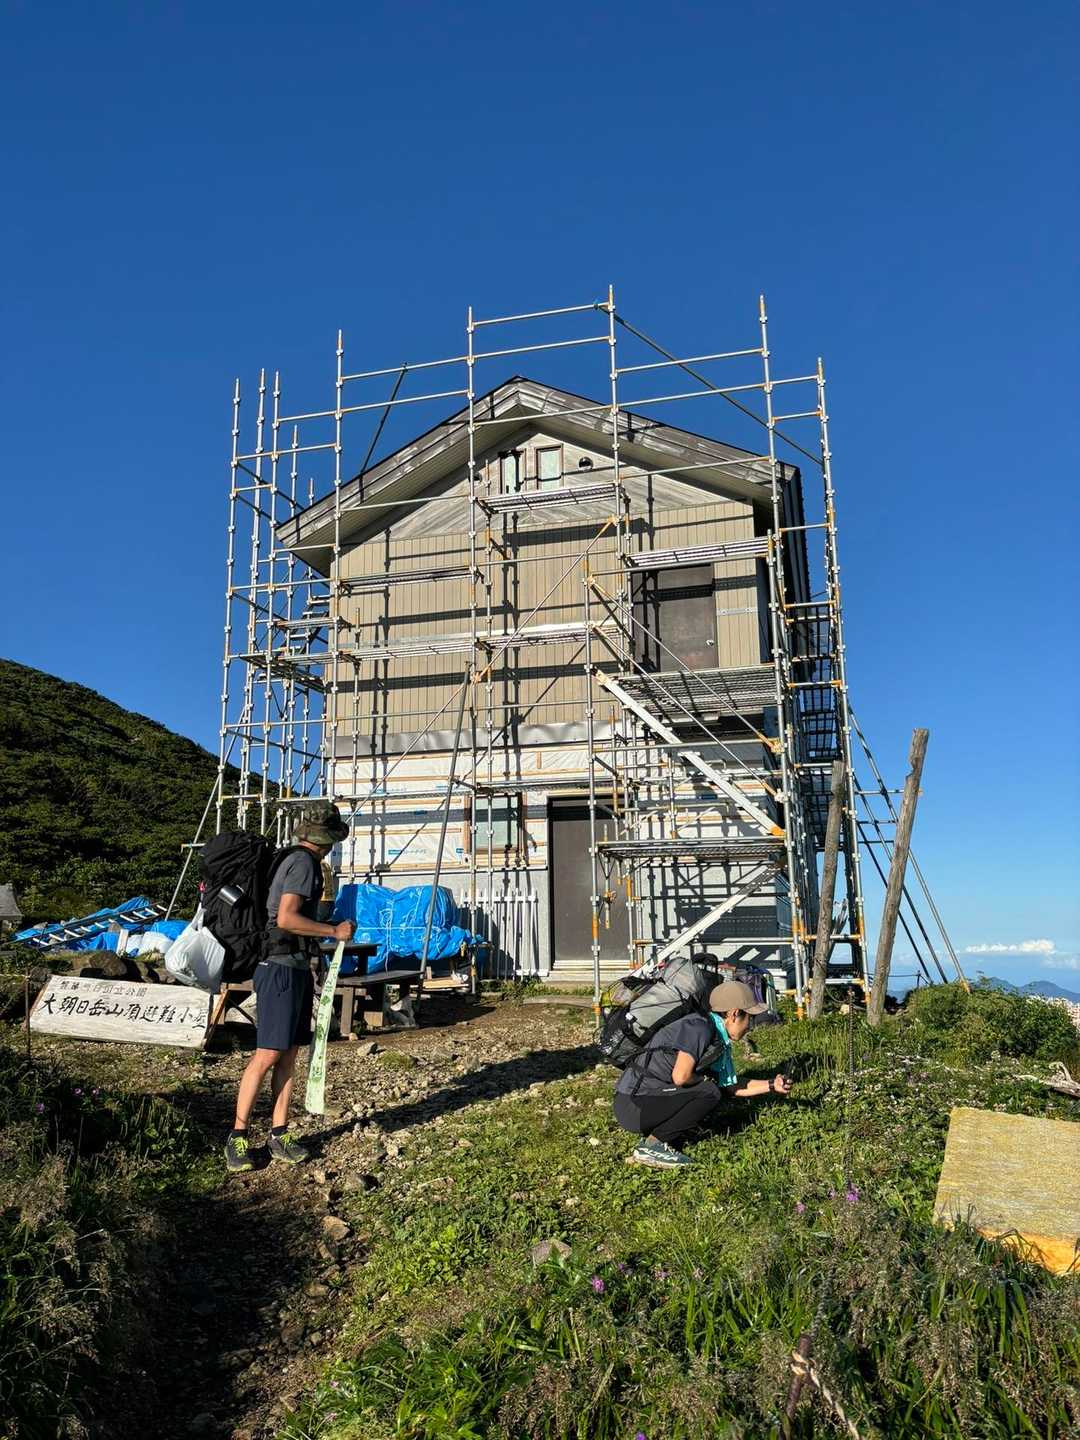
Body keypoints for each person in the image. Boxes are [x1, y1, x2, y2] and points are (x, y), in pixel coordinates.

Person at [225, 802, 354, 1173]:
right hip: (280, 968)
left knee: (288, 1054)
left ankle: (279, 1133)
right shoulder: (302, 863)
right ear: (327, 839)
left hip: (293, 967)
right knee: (267, 1053)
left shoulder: (297, 859)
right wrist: (332, 931)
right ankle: (237, 1136)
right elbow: (286, 917)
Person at [613, 979, 792, 1169]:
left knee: (713, 1088)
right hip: (633, 1106)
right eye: (749, 1017)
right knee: (710, 1091)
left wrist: (772, 1085)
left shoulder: (714, 1033)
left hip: (641, 1102)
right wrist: (704, 1080)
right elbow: (681, 1077)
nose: (750, 1026)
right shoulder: (699, 1028)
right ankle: (652, 1146)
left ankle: (668, 1134)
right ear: (734, 1014)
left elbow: (731, 1086)